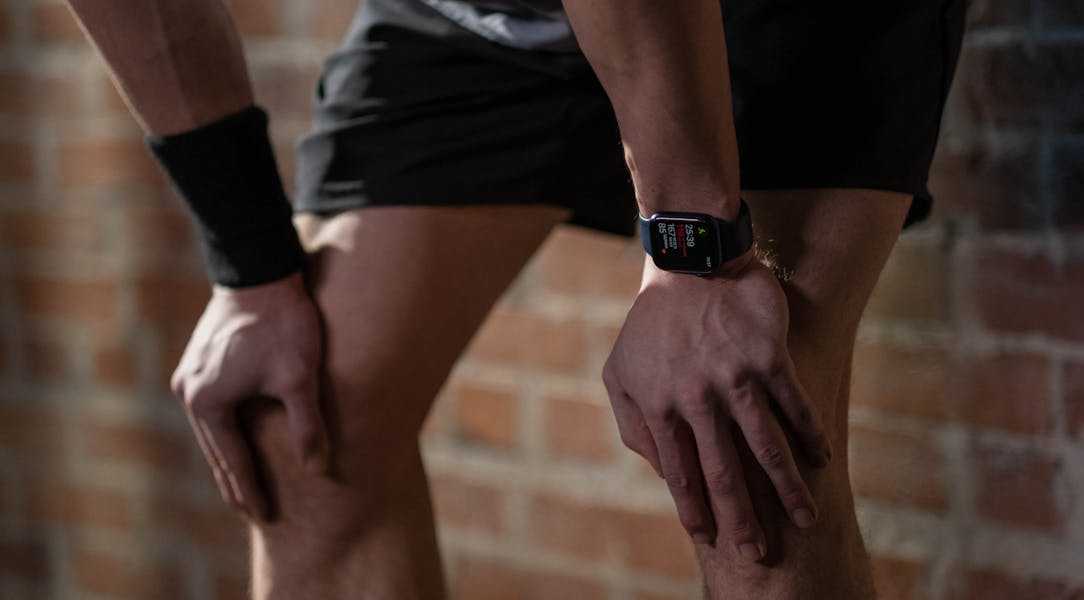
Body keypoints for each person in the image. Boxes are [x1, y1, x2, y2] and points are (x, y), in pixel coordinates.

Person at [66, 0, 965, 597]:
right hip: (480, 14)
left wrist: (697, 258)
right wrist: (252, 268)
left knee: (742, 435)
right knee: (297, 415)